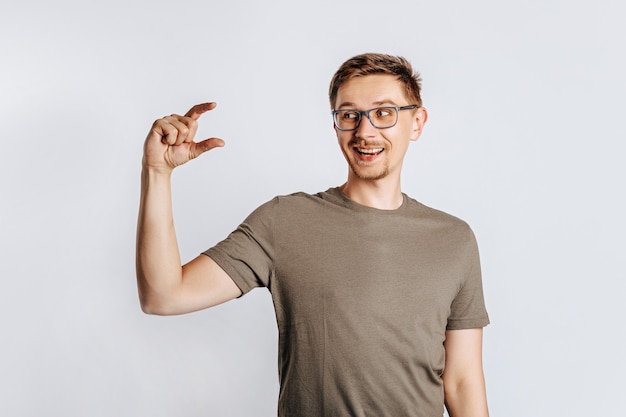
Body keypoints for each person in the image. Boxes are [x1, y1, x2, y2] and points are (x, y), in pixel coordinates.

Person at [136, 53, 490, 417]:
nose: (365, 132)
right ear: (336, 124)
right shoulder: (284, 221)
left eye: (384, 113)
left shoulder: (454, 239)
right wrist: (157, 173)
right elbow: (163, 296)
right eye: (349, 115)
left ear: (417, 122)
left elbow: (462, 381)